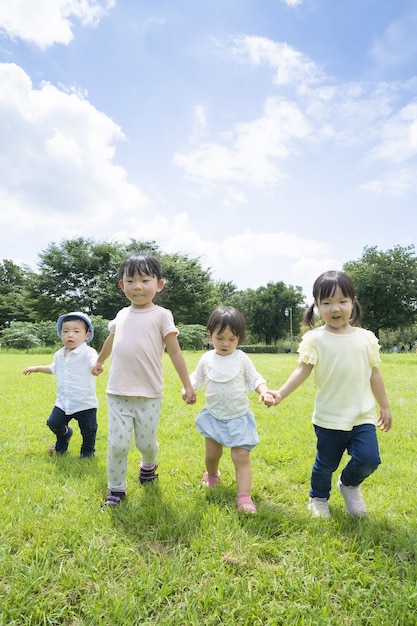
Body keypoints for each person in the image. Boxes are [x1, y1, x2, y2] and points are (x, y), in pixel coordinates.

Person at [267, 271, 392, 519]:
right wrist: (279, 394)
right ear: (316, 305)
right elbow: (302, 371)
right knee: (325, 465)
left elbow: (374, 375)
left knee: (369, 459)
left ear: (353, 302)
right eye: (326, 303)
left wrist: (385, 406)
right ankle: (318, 497)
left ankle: (349, 484)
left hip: (362, 416)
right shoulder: (316, 339)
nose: (335, 308)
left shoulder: (366, 338)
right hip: (329, 417)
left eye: (342, 301)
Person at [92, 253, 196, 507]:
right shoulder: (121, 315)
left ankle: (148, 465)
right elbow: (111, 340)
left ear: (158, 284)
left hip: (149, 394)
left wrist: (187, 384)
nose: (137, 286)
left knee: (145, 443)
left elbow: (174, 351)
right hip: (117, 392)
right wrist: (100, 360)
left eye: (145, 280)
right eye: (131, 280)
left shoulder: (162, 315)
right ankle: (116, 490)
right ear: (122, 285)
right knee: (118, 445)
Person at [184, 306, 274, 514]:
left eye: (232, 339)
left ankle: (244, 497)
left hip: (238, 418)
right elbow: (196, 378)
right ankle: (212, 475)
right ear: (210, 335)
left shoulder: (241, 358)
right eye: (220, 337)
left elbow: (254, 378)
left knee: (241, 457)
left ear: (239, 338)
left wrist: (264, 391)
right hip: (214, 417)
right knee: (212, 454)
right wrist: (187, 389)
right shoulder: (207, 358)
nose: (225, 343)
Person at [23, 312, 98, 458]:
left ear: (87, 335)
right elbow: (53, 368)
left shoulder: (88, 352)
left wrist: (96, 366)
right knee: (54, 422)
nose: (70, 335)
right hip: (64, 401)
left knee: (89, 430)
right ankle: (65, 434)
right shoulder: (59, 354)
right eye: (65, 331)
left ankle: (87, 452)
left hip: (85, 402)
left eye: (76, 331)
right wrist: (37, 368)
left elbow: (93, 363)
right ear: (60, 334)